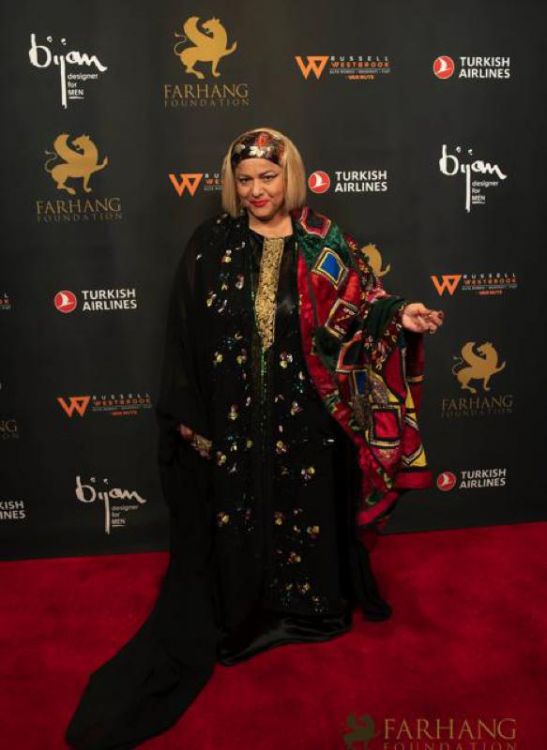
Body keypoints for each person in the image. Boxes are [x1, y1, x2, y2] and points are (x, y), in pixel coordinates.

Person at [65, 127, 444, 749]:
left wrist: (400, 315)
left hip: (308, 417)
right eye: (244, 180)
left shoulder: (323, 241)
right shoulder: (211, 244)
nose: (256, 190)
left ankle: (309, 610)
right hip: (237, 419)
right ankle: (248, 615)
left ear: (288, 176)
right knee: (240, 512)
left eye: (267, 177)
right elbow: (183, 334)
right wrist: (192, 414)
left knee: (307, 508)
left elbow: (362, 303)